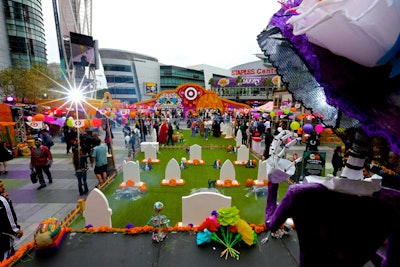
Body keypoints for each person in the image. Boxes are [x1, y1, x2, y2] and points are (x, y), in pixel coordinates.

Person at [0, 180, 23, 261]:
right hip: (5, 235)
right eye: (1, 187)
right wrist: (16, 230)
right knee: (6, 258)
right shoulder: (3, 201)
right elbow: (9, 218)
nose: (4, 188)